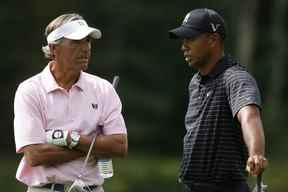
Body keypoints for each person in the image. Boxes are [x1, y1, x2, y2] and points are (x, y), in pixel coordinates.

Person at [13, 13, 128, 192]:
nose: (85, 48)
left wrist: (71, 139)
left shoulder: (103, 88)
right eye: (76, 42)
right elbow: (35, 155)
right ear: (54, 48)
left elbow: (119, 146)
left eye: (88, 41)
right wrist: (93, 147)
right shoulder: (30, 90)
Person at [169, 8, 268, 192]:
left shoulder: (236, 78)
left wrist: (256, 153)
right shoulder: (194, 82)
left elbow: (249, 116)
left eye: (190, 39)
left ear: (213, 40)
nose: (184, 46)